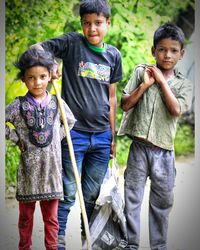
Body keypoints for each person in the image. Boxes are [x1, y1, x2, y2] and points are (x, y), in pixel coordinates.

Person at [30, 0, 123, 249]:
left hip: (102, 136)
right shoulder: (72, 43)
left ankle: (89, 238)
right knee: (68, 191)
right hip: (73, 134)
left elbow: (112, 98)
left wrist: (112, 137)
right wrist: (51, 65)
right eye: (87, 23)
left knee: (92, 195)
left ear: (108, 23)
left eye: (98, 23)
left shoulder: (114, 55)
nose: (92, 28)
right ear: (81, 24)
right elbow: (37, 48)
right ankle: (57, 241)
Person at [118, 22, 193, 250]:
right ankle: (131, 244)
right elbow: (124, 104)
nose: (167, 55)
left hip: (164, 153)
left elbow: (176, 110)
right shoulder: (142, 72)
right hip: (138, 149)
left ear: (181, 54)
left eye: (173, 50)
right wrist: (145, 85)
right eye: (161, 49)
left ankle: (158, 246)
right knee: (131, 199)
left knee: (161, 203)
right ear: (153, 51)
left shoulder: (184, 84)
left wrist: (161, 81)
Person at [5, 48, 76, 250]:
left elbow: (69, 122)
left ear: (49, 77)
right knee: (25, 218)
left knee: (51, 219)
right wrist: (15, 137)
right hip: (29, 173)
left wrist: (56, 137)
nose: (37, 82)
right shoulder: (18, 106)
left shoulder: (56, 102)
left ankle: (51, 247)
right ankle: (24, 247)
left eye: (43, 77)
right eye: (31, 78)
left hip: (51, 172)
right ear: (24, 79)